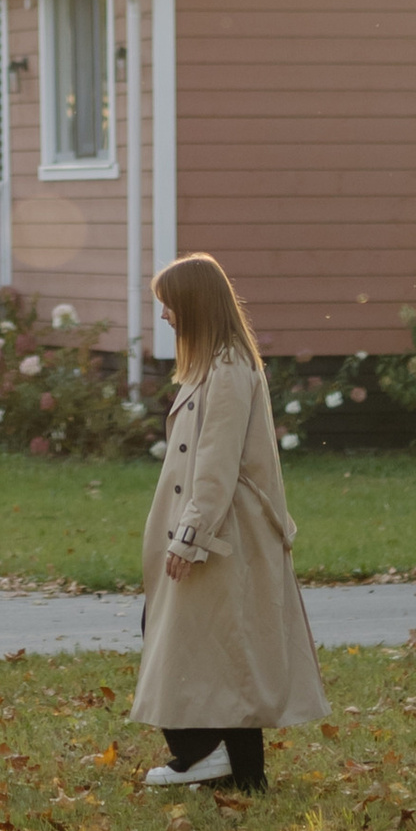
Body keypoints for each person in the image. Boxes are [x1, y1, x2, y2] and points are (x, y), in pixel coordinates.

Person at [133, 252, 326, 794]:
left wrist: (189, 536)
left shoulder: (228, 369)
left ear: (195, 304)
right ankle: (238, 772)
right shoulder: (218, 364)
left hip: (225, 532)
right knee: (220, 646)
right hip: (221, 529)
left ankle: (204, 755)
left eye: (170, 305)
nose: (166, 315)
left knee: (203, 642)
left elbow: (217, 464)